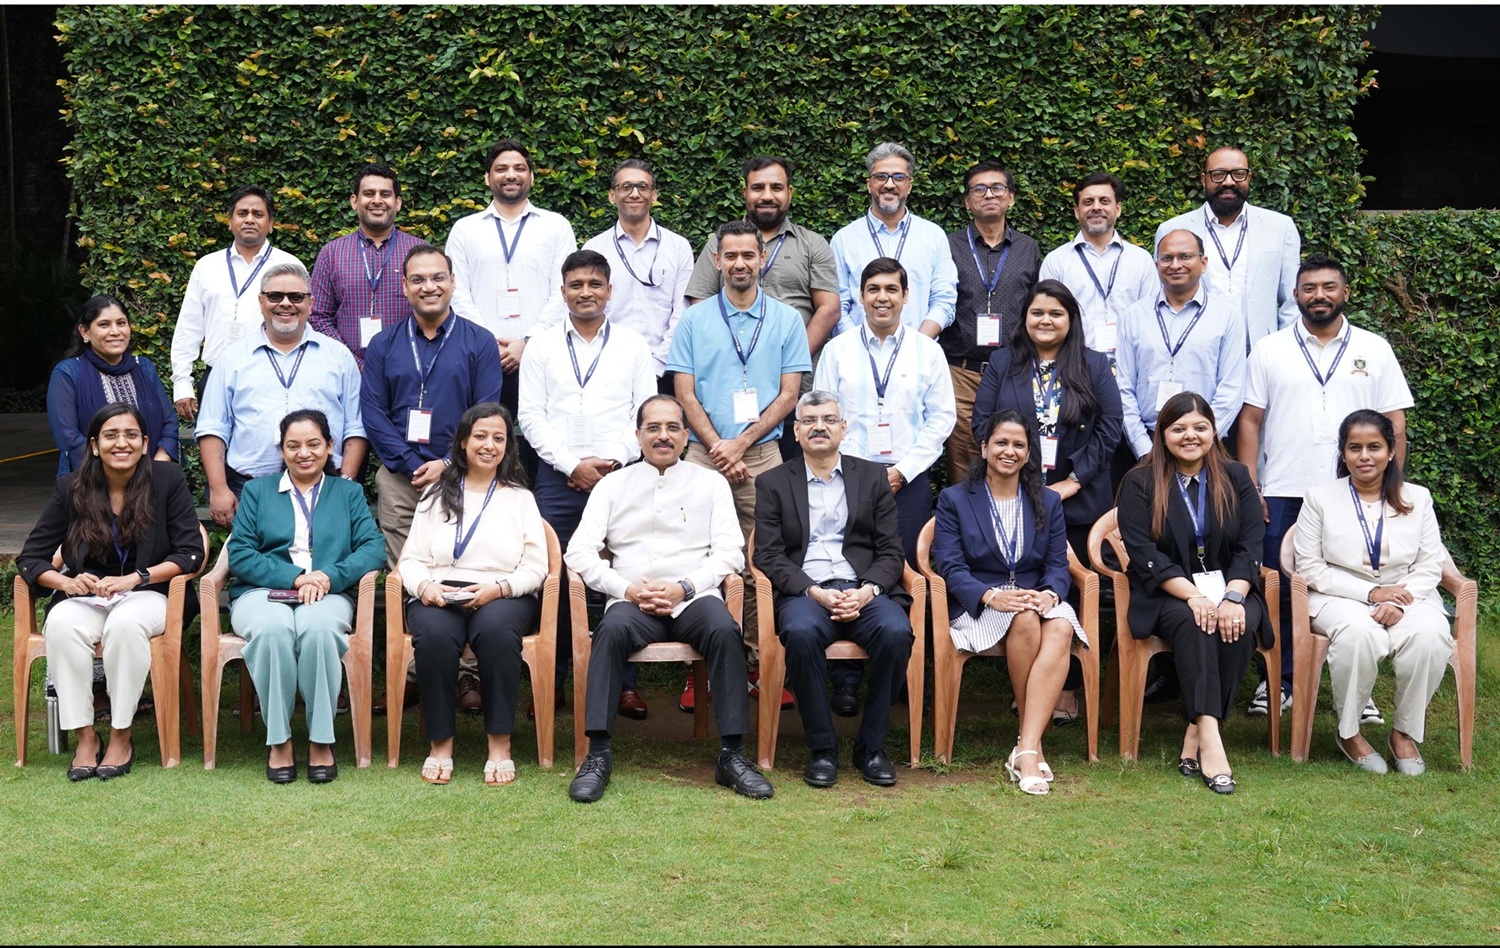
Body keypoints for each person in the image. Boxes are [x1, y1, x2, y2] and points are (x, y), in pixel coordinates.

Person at [564, 395, 774, 803]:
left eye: (673, 428)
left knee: (725, 630)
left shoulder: (709, 482)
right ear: (638, 433)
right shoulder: (612, 485)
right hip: (631, 598)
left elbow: (730, 552)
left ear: (685, 435)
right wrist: (624, 588)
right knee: (609, 631)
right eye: (654, 428)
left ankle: (732, 755)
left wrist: (686, 587)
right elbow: (579, 552)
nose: (663, 436)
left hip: (694, 597)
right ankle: (598, 754)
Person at [1237, 254, 1414, 718]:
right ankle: (1281, 680)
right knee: (1278, 586)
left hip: (1356, 492)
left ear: (1345, 292)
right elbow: (1250, 421)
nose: (1319, 295)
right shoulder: (1270, 348)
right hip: (1283, 488)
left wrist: (1391, 489)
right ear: (1295, 295)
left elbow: (1395, 422)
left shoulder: (1374, 348)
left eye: (1328, 287)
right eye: (1309, 288)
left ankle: (1358, 687)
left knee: (1356, 584)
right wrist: (1250, 485)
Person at [18, 403, 204, 781]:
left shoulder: (167, 479)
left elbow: (191, 552)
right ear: (95, 445)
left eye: (131, 435)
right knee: (62, 623)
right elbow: (31, 558)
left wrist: (136, 577)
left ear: (145, 442)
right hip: (87, 595)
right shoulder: (70, 488)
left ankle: (121, 734)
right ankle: (85, 736)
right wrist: (67, 583)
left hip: (151, 591)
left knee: (125, 623)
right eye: (111, 435)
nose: (123, 443)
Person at [669, 219, 810, 710]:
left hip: (765, 455)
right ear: (717, 261)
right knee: (693, 558)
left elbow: (790, 392)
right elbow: (683, 392)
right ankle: (697, 672)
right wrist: (718, 446)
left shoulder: (788, 320)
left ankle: (757, 663)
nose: (740, 264)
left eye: (748, 255)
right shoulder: (694, 320)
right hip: (702, 456)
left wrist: (742, 441)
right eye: (730, 256)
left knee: (763, 562)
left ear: (762, 259)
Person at [970, 279, 1122, 725]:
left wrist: (1073, 481)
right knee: (1026, 580)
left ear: (1070, 319)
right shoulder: (1002, 363)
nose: (1045, 321)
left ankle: (1066, 687)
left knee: (1066, 585)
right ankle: (1030, 686)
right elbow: (984, 422)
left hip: (1078, 498)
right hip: (1014, 495)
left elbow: (1109, 428)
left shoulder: (1093, 365)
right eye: (1037, 313)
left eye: (1056, 313)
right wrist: (1017, 480)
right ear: (1025, 319)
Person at [360, 244, 504, 715]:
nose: (429, 286)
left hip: (467, 477)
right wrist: (405, 462)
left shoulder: (478, 341)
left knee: (466, 566)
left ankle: (465, 675)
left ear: (452, 282)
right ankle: (415, 671)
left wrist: (447, 461)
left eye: (437, 277)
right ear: (404, 288)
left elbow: (487, 410)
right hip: (402, 480)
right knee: (408, 572)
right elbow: (373, 411)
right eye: (418, 279)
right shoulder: (383, 344)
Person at [752, 390, 914, 787]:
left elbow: (892, 550)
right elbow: (768, 555)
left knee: (896, 632)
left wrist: (870, 589)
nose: (819, 427)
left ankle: (871, 747)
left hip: (863, 589)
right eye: (809, 420)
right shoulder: (772, 482)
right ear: (796, 430)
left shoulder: (873, 477)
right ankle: (822, 749)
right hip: (807, 593)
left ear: (844, 428)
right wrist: (813, 591)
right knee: (802, 633)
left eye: (828, 419)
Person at [518, 249, 655, 718]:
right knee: (554, 579)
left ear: (609, 291)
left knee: (624, 575)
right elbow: (530, 416)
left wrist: (613, 461)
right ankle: (552, 681)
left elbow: (647, 412)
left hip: (621, 477)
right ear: (562, 292)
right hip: (557, 481)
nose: (585, 293)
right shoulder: (540, 345)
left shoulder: (634, 346)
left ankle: (623, 685)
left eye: (595, 284)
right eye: (576, 285)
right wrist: (571, 464)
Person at [1116, 392, 1271, 795]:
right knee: (1196, 623)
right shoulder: (1139, 481)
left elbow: (1252, 545)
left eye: (1200, 427)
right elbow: (1142, 552)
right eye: (1179, 428)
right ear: (1161, 433)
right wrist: (1194, 596)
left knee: (1239, 622)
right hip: (1168, 591)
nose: (1190, 435)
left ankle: (1197, 729)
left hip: (1231, 586)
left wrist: (1234, 597)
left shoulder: (1236, 477)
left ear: (1213, 430)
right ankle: (1213, 740)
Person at [226, 409, 386, 783]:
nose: (304, 453)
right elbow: (241, 554)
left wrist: (329, 576)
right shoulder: (256, 491)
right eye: (293, 445)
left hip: (327, 591)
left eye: (314, 444)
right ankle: (279, 740)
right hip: (264, 591)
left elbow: (373, 549)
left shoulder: (348, 492)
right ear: (281, 450)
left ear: (330, 446)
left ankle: (320, 739)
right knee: (273, 631)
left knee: (317, 630)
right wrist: (297, 577)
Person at [932, 410, 1087, 795]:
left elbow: (1056, 563)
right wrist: (991, 596)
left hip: (1036, 596)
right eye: (1001, 442)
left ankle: (1026, 745)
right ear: (984, 448)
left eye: (1019, 444)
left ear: (1029, 453)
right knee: (1026, 621)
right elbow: (949, 566)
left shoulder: (1047, 501)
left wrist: (1050, 593)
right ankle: (1031, 746)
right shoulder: (954, 499)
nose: (1009, 451)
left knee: (1061, 623)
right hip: (982, 602)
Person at [1293, 410, 1453, 776]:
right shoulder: (1319, 498)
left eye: (1374, 447)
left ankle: (1404, 733)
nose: (1364, 456)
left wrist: (1396, 598)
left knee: (1430, 636)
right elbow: (1310, 567)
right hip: (1341, 597)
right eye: (1355, 448)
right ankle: (1349, 732)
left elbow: (1431, 565)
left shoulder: (1418, 498)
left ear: (1391, 451)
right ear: (1343, 453)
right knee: (1358, 634)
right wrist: (1373, 593)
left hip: (1411, 596)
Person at [396, 404, 546, 786]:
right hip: (440, 590)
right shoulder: (434, 494)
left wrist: (499, 589)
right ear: (463, 442)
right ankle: (441, 743)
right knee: (433, 636)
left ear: (508, 446)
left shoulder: (520, 498)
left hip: (503, 594)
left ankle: (499, 744)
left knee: (497, 634)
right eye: (480, 436)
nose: (489, 445)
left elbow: (536, 567)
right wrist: (426, 588)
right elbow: (410, 560)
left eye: (499, 438)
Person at [686, 155, 840, 457]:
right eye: (758, 187)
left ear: (790, 193)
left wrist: (786, 363)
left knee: (792, 480)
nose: (767, 195)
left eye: (776, 187)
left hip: (797, 387)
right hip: (728, 385)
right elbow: (699, 309)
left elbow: (829, 310)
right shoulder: (717, 244)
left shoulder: (812, 244)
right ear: (744, 192)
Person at [195, 262, 367, 528]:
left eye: (296, 297)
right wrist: (219, 489)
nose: (285, 303)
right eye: (275, 296)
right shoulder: (231, 359)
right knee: (254, 567)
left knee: (321, 566)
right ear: (261, 301)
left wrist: (344, 486)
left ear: (310, 302)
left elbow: (356, 426)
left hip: (324, 488)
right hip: (250, 490)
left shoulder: (339, 357)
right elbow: (212, 427)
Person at [446, 138, 576, 427]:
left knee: (540, 438)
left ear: (531, 176)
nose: (511, 174)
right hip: (479, 358)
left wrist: (528, 342)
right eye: (501, 168)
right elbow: (456, 292)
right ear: (487, 177)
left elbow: (565, 290)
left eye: (519, 168)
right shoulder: (465, 229)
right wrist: (487, 342)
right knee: (484, 437)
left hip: (544, 354)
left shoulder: (556, 226)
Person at [939, 159, 1040, 482]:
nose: (989, 195)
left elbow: (1037, 309)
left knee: (1013, 450)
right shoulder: (947, 246)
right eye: (979, 189)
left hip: (1015, 370)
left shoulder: (1028, 249)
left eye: (998, 188)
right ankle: (967, 527)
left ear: (1010, 197)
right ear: (968, 201)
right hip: (962, 372)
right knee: (964, 460)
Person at [170, 185, 303, 420]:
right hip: (216, 378)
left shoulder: (289, 266)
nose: (249, 219)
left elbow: (302, 323)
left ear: (270, 223)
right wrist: (182, 384)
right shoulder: (207, 266)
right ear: (230, 221)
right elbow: (188, 327)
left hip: (273, 377)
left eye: (258, 214)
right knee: (215, 451)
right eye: (242, 213)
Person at [1116, 230, 1246, 460]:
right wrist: (1143, 447)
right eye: (1167, 258)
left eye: (1185, 256)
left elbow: (1231, 388)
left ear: (1203, 262)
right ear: (1157, 264)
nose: (1175, 265)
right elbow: (1124, 387)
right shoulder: (1133, 316)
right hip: (1148, 441)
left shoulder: (1227, 316)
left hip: (1206, 447)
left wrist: (1203, 438)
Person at [1154, 146, 1301, 348]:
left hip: (1260, 348)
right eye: (1218, 174)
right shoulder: (1172, 229)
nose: (1229, 182)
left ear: (1249, 177)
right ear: (1203, 179)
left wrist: (1283, 348)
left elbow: (1294, 298)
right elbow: (1162, 296)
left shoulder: (1280, 227)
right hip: (1194, 347)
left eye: (1238, 174)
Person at [579, 159, 694, 394]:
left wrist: (656, 365)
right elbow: (587, 311)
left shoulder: (678, 247)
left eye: (642, 187)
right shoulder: (595, 248)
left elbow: (682, 314)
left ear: (653, 195)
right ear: (612, 195)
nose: (634, 194)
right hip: (606, 369)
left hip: (664, 372)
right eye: (626, 187)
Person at [830, 142, 958, 338]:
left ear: (909, 185)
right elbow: (837, 303)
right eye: (881, 176)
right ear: (869, 184)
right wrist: (858, 346)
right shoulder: (844, 239)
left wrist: (915, 345)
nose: (889, 184)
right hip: (858, 359)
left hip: (918, 356)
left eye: (899, 177)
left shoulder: (933, 236)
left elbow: (944, 299)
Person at [309, 163, 429, 367]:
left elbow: (435, 311)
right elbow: (318, 316)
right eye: (369, 193)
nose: (377, 200)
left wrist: (409, 361)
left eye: (385, 194)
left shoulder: (420, 251)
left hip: (410, 370)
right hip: (346, 373)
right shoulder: (332, 253)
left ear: (397, 202)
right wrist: (352, 362)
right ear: (355, 201)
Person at [47, 294, 177, 475]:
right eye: (104, 324)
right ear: (85, 332)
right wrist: (118, 474)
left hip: (151, 478)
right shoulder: (68, 373)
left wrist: (160, 462)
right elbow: (67, 437)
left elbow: (169, 422)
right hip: (92, 483)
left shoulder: (144, 367)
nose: (115, 331)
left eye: (121, 323)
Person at [1037, 172, 1157, 361]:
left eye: (1104, 201)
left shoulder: (1141, 261)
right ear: (1077, 212)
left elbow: (1150, 320)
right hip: (1074, 367)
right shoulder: (1056, 261)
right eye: (1088, 202)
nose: (1096, 207)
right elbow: (1047, 322)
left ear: (1117, 209)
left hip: (1128, 367)